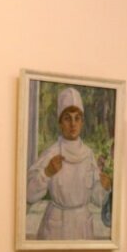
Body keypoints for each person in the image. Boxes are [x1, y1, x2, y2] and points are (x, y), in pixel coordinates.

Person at [27, 87, 111, 240]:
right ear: (60, 123)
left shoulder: (88, 155)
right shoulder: (51, 153)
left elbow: (97, 198)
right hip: (55, 227)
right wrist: (47, 173)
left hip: (82, 227)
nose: (73, 124)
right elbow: (29, 194)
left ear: (82, 122)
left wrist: (104, 187)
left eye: (77, 118)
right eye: (67, 118)